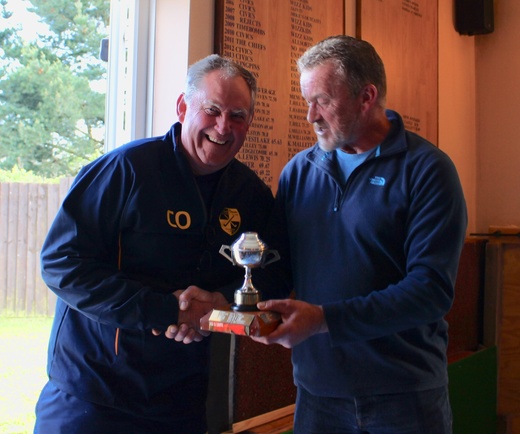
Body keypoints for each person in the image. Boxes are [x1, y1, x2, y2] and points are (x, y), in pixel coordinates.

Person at [34, 54, 275, 434]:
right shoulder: (125, 169)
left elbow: (273, 276)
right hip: (93, 397)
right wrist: (166, 311)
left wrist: (221, 304)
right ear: (183, 107)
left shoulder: (253, 197)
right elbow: (62, 263)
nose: (223, 126)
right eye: (212, 110)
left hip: (181, 402)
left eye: (238, 115)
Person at [249, 35, 468, 433]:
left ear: (366, 97)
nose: (310, 116)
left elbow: (430, 290)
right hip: (317, 395)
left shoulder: (428, 171)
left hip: (404, 396)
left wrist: (323, 320)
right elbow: (275, 270)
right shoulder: (299, 172)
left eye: (323, 101)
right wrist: (219, 303)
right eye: (306, 102)